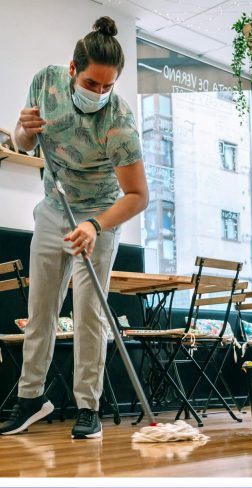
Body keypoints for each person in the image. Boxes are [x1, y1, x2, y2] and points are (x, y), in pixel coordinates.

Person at [3, 16, 147, 439]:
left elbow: (138, 196)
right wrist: (22, 132)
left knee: (88, 311)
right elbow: (24, 142)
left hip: (100, 212)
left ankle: (89, 407)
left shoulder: (120, 123)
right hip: (54, 206)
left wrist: (96, 226)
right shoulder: (45, 83)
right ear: (72, 70)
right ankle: (31, 398)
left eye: (107, 87)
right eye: (91, 84)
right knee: (40, 309)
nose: (99, 94)